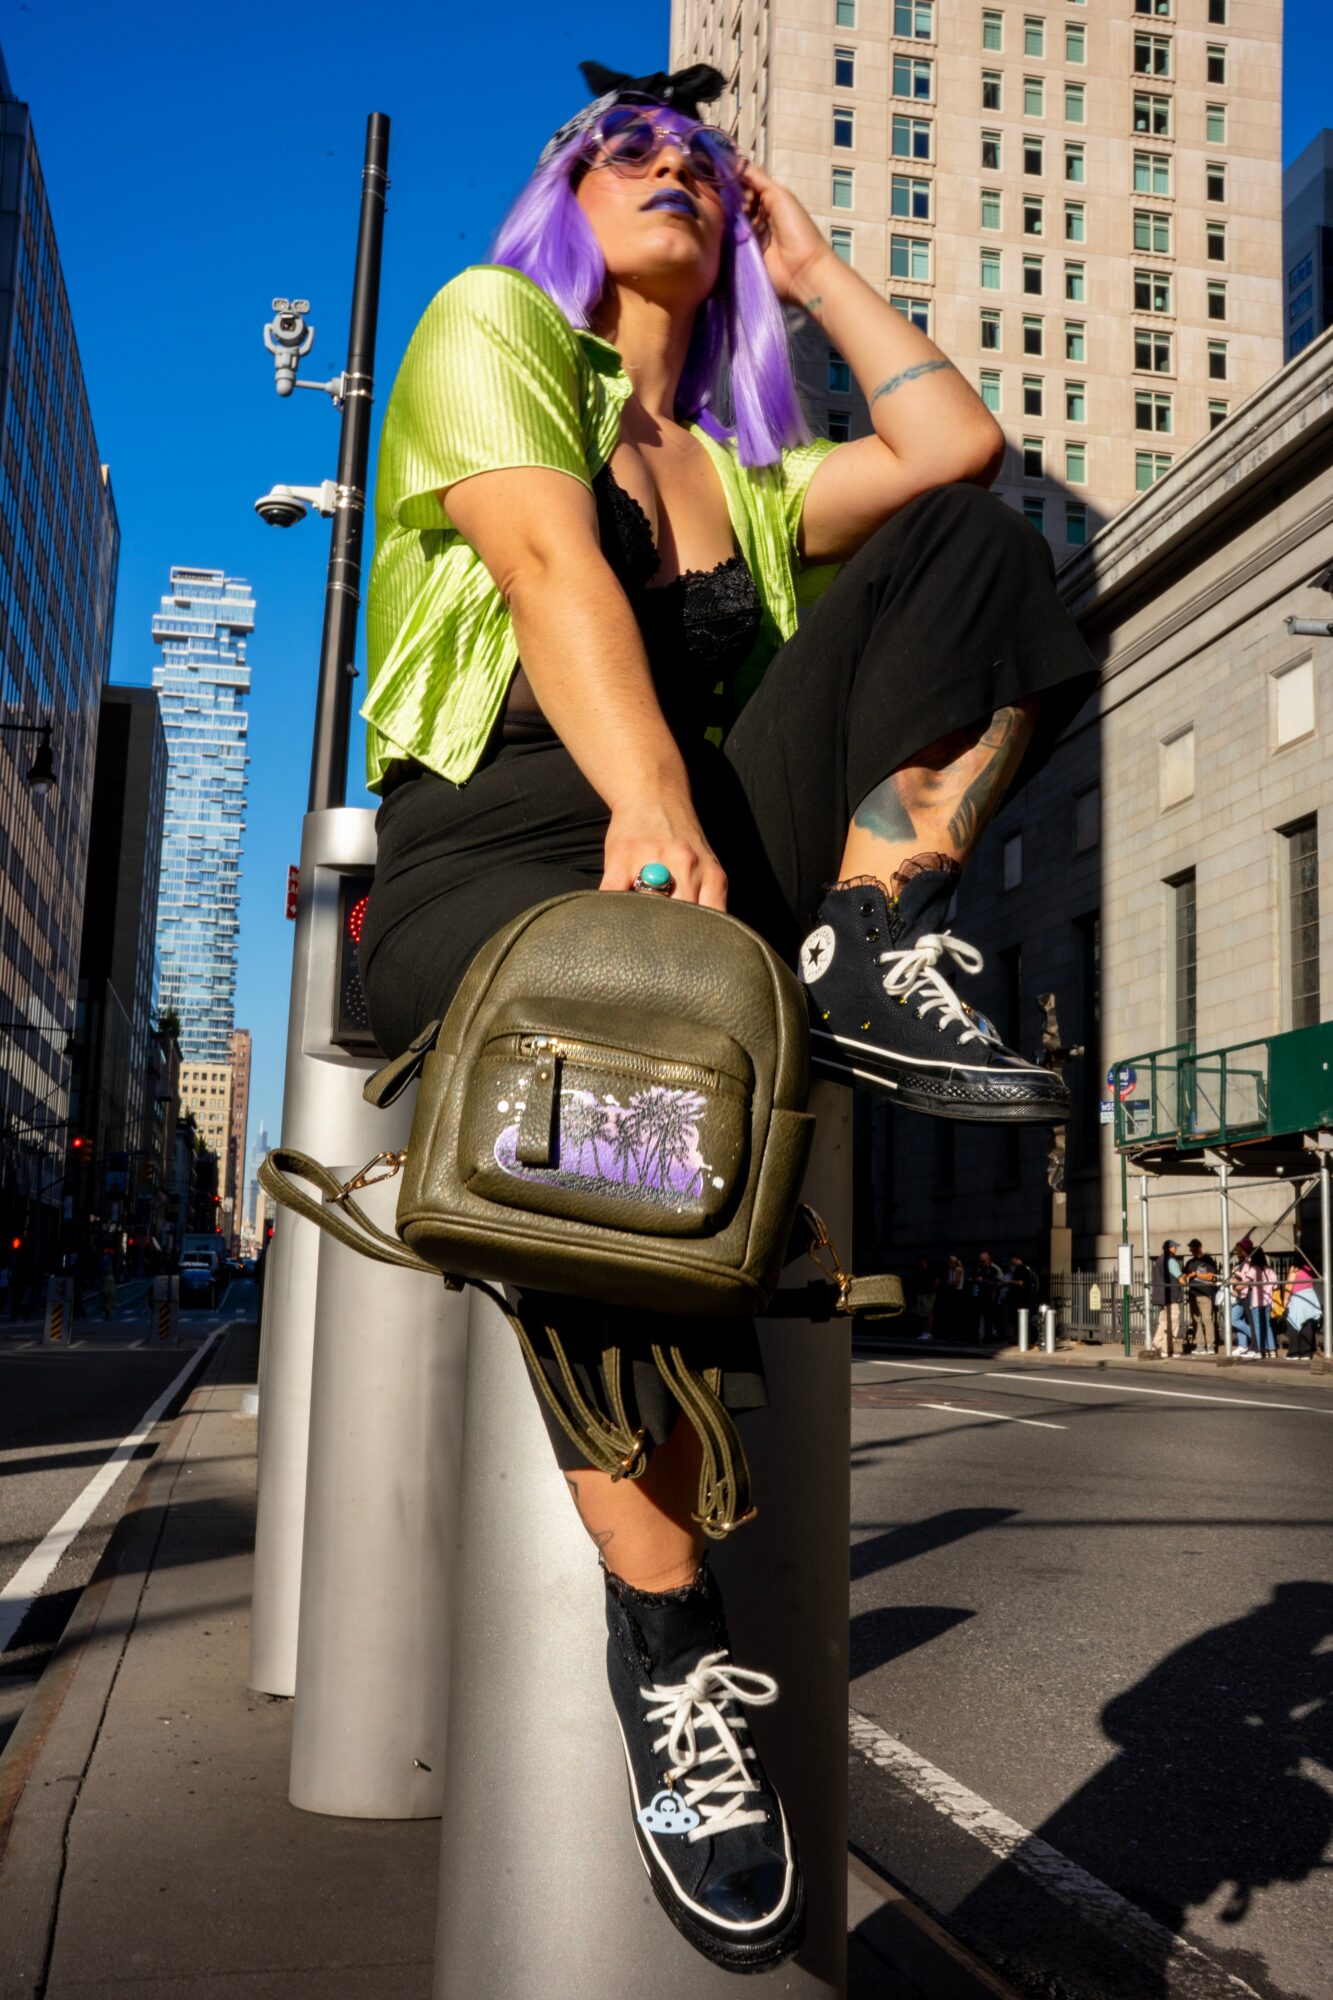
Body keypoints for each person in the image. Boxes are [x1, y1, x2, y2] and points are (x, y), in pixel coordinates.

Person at [358, 58, 1097, 1971]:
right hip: (508, 835)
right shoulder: (493, 326)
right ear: (560, 196)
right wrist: (651, 808)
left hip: (696, 848)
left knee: (983, 548)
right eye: (623, 147)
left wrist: (815, 259)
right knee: (613, 1131)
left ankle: (863, 930)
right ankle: (669, 1642)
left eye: (696, 156)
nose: (666, 167)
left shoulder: (746, 487)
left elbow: (951, 449)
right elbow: (544, 567)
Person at [1234, 1245, 1277, 1357]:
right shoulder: (1269, 1269)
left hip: (1256, 1301)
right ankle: (1272, 1350)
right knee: (1267, 1326)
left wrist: (1235, 1287)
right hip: (1268, 1301)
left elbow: (1245, 1283)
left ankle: (1260, 1350)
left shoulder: (1254, 1269)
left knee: (1258, 1326)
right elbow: (1275, 1286)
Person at [1282, 1252, 1323, 1359]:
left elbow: (1289, 1284)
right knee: (1307, 1325)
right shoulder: (1310, 1268)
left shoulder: (1295, 1268)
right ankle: (1306, 1353)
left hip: (1298, 1298)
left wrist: (1285, 1300)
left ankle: (1294, 1353)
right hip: (1310, 1298)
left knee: (1292, 1324)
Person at [1181, 1239, 1219, 1355]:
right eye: (1191, 1249)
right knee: (1196, 1320)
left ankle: (1210, 1345)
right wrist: (1183, 1278)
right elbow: (1183, 1275)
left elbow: (1212, 1277)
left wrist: (1196, 1274)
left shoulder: (1208, 1261)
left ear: (1199, 1248)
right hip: (1193, 1294)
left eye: (1194, 1248)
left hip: (1205, 1294)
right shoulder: (1190, 1262)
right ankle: (1200, 1345)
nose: (1192, 1251)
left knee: (1207, 1319)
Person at [1151, 1239, 1184, 1355]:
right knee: (1173, 1322)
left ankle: (1157, 1343)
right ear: (1170, 1248)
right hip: (1172, 1296)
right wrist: (1187, 1276)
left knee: (1163, 1322)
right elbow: (1181, 1279)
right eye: (1175, 1247)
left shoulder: (1158, 1260)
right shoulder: (1171, 1261)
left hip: (1162, 1297)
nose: (1176, 1249)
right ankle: (1166, 1349)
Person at [971, 1250, 1004, 1341]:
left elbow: (998, 1282)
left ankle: (988, 1336)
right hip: (977, 1295)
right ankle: (976, 1336)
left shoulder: (993, 1269)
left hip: (988, 1296)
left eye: (984, 1258)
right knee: (977, 1317)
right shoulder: (977, 1268)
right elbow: (971, 1278)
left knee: (988, 1317)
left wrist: (985, 1281)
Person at [911, 1255, 936, 1340]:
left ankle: (929, 1333)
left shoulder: (931, 1270)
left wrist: (931, 1292)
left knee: (928, 1314)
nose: (920, 1262)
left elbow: (936, 1282)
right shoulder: (919, 1270)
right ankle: (925, 1332)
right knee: (922, 1314)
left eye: (921, 1261)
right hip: (920, 1293)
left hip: (928, 1294)